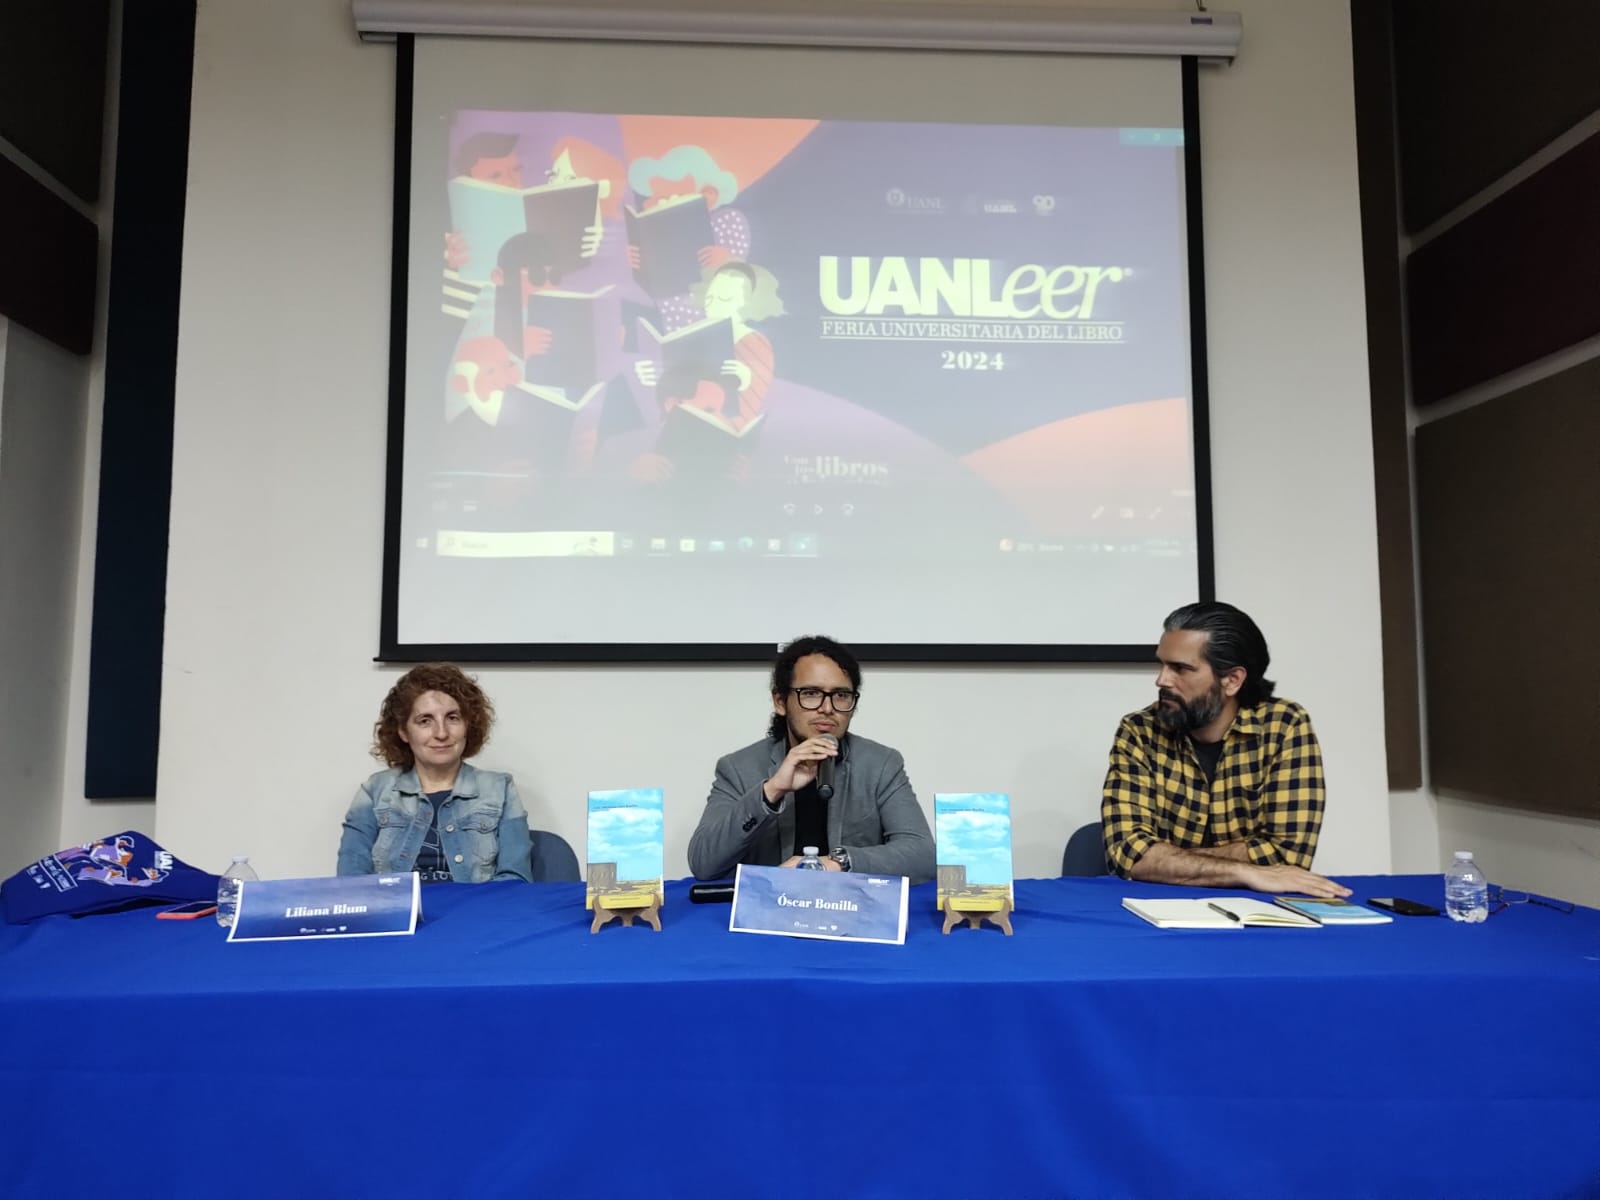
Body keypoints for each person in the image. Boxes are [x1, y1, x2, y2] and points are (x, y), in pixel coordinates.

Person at [1099, 601, 1350, 898]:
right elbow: (1130, 853)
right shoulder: (1139, 730)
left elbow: (1288, 853)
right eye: (1162, 664)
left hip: (1256, 910)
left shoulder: (1284, 726)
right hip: (1159, 909)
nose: (1162, 680)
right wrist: (1245, 869)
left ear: (1231, 680)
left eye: (1180, 668)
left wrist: (1171, 861)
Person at [688, 635, 934, 883]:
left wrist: (838, 864)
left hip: (850, 910)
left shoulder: (881, 764)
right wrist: (771, 791)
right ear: (781, 702)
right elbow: (703, 863)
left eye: (840, 695)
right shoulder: (739, 768)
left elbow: (923, 856)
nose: (827, 708)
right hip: (772, 909)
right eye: (811, 693)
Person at [337, 664, 533, 883]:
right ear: (403, 731)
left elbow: (515, 880)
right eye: (425, 721)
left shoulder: (500, 789)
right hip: (397, 916)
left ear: (468, 725)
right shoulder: (374, 791)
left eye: (452, 718)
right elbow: (351, 883)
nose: (441, 733)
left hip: (476, 914)